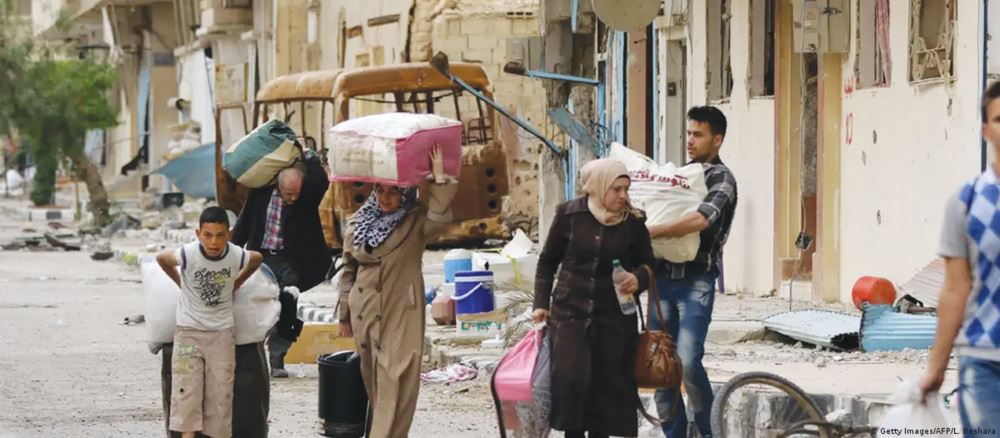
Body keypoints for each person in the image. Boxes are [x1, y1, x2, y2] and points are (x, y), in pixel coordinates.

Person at [337, 147, 457, 438]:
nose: (386, 197)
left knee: (397, 376)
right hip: (365, 310)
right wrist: (344, 315)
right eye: (380, 190)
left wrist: (438, 180)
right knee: (375, 380)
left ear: (404, 193)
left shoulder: (414, 221)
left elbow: (439, 221)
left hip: (400, 309)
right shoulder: (359, 222)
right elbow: (348, 269)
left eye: (393, 191)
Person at [532, 158, 657, 438]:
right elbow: (548, 261)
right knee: (572, 386)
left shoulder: (633, 223)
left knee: (606, 392)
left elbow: (650, 265)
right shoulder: (569, 215)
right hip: (570, 316)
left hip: (614, 322)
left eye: (626, 189)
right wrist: (540, 303)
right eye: (616, 189)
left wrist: (638, 279)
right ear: (599, 188)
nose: (623, 196)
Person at [646, 106, 737, 438]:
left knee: (686, 360)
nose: (690, 140)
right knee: (661, 366)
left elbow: (700, 220)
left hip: (696, 281)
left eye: (698, 134)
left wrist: (651, 231)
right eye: (688, 133)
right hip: (661, 278)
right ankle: (675, 434)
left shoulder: (722, 179)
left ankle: (707, 430)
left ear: (717, 140)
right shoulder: (680, 177)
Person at [921, 81, 1000, 435]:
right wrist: (936, 368)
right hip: (983, 361)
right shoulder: (966, 203)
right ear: (985, 131)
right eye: (999, 119)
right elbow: (955, 290)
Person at [156, 207, 264, 438]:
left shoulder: (235, 255)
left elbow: (256, 258)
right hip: (188, 333)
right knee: (186, 393)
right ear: (198, 233)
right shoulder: (188, 254)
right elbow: (162, 258)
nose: (214, 242)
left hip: (221, 334)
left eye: (220, 235)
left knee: (221, 396)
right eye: (208, 235)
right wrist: (180, 283)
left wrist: (237, 282)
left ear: (229, 235)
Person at [232, 149, 333, 378]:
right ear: (278, 186)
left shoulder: (305, 199)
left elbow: (321, 181)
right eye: (289, 193)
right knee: (257, 305)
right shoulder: (260, 194)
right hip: (260, 259)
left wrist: (307, 155)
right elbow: (244, 223)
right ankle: (253, 356)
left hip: (290, 261)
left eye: (296, 193)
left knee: (287, 305)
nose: (293, 198)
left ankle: (277, 358)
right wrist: (231, 253)